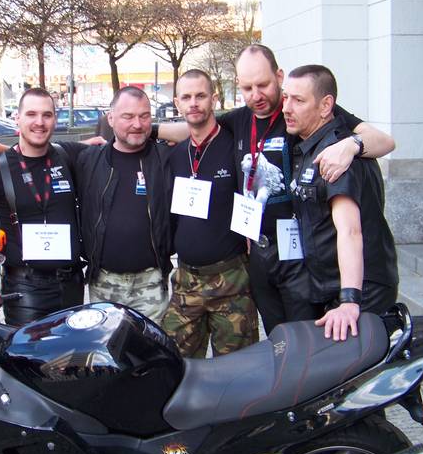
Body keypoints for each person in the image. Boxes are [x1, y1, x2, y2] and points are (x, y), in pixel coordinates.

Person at [158, 44, 395, 334]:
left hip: (300, 253)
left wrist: (351, 145)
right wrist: (145, 130)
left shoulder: (300, 108)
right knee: (277, 338)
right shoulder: (239, 118)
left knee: (303, 336)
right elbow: (197, 125)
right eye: (247, 88)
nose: (256, 95)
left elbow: (384, 141)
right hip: (259, 250)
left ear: (279, 77)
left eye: (263, 85)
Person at [284, 64, 398, 341]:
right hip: (330, 285)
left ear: (326, 106)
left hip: (360, 291)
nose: (286, 108)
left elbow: (350, 230)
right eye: (286, 97)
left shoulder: (337, 155)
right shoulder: (312, 143)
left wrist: (349, 301)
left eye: (298, 100)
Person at [161, 70, 258, 357]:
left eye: (200, 96)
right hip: (186, 281)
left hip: (232, 281)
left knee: (237, 370)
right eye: (186, 97)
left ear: (213, 99)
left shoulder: (235, 147)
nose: (193, 103)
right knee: (178, 366)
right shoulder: (176, 155)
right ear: (177, 103)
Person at [72, 87, 173, 324]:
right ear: (110, 118)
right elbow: (40, 149)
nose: (137, 124)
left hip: (151, 282)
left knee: (150, 346)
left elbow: (200, 128)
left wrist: (155, 130)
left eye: (144, 116)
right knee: (107, 347)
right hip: (104, 282)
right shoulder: (88, 160)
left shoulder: (166, 158)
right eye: (128, 116)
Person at [0, 88, 85, 326]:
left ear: (55, 119)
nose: (39, 122)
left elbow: (120, 143)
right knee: (27, 350)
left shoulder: (68, 155)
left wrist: (156, 129)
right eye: (31, 114)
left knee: (73, 350)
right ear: (17, 118)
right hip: (25, 290)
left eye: (47, 115)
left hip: (71, 284)